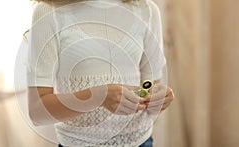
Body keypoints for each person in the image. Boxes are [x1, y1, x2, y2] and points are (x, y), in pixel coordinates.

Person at [26, 0, 175, 146]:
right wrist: (98, 96)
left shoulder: (146, 10)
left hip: (141, 141)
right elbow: (37, 112)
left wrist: (157, 97)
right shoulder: (48, 11)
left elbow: (148, 85)